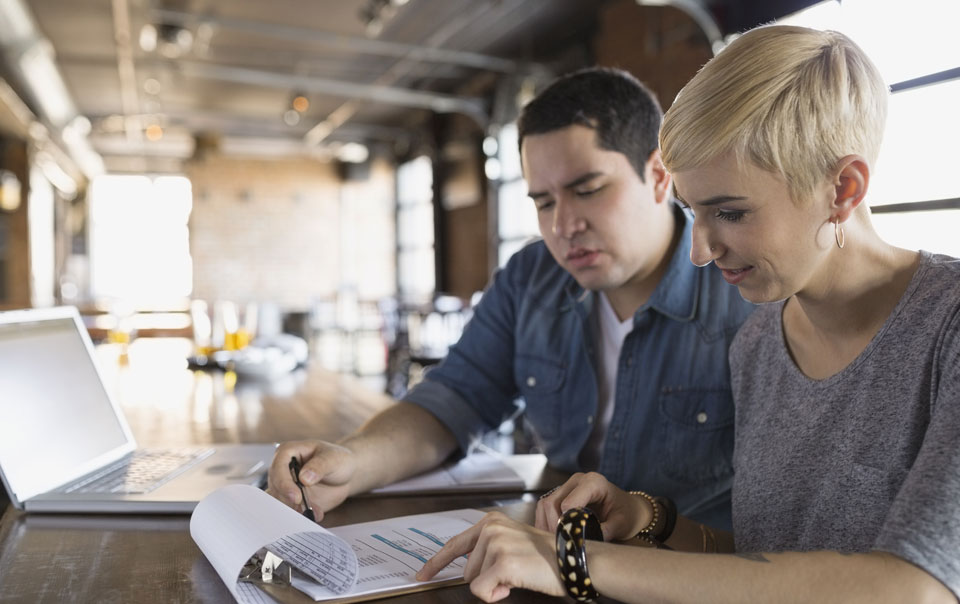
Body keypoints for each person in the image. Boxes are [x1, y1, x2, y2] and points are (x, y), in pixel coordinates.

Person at [417, 25, 960, 603]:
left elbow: (914, 588)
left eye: (729, 212)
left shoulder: (946, 326)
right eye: (692, 212)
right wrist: (650, 519)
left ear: (843, 188)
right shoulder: (759, 341)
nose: (700, 251)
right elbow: (763, 566)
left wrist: (576, 560)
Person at [267, 67, 754, 528]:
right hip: (564, 560)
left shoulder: (746, 289)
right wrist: (354, 460)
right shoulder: (531, 278)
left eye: (587, 189)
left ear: (659, 176)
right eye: (543, 202)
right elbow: (454, 398)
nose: (563, 226)